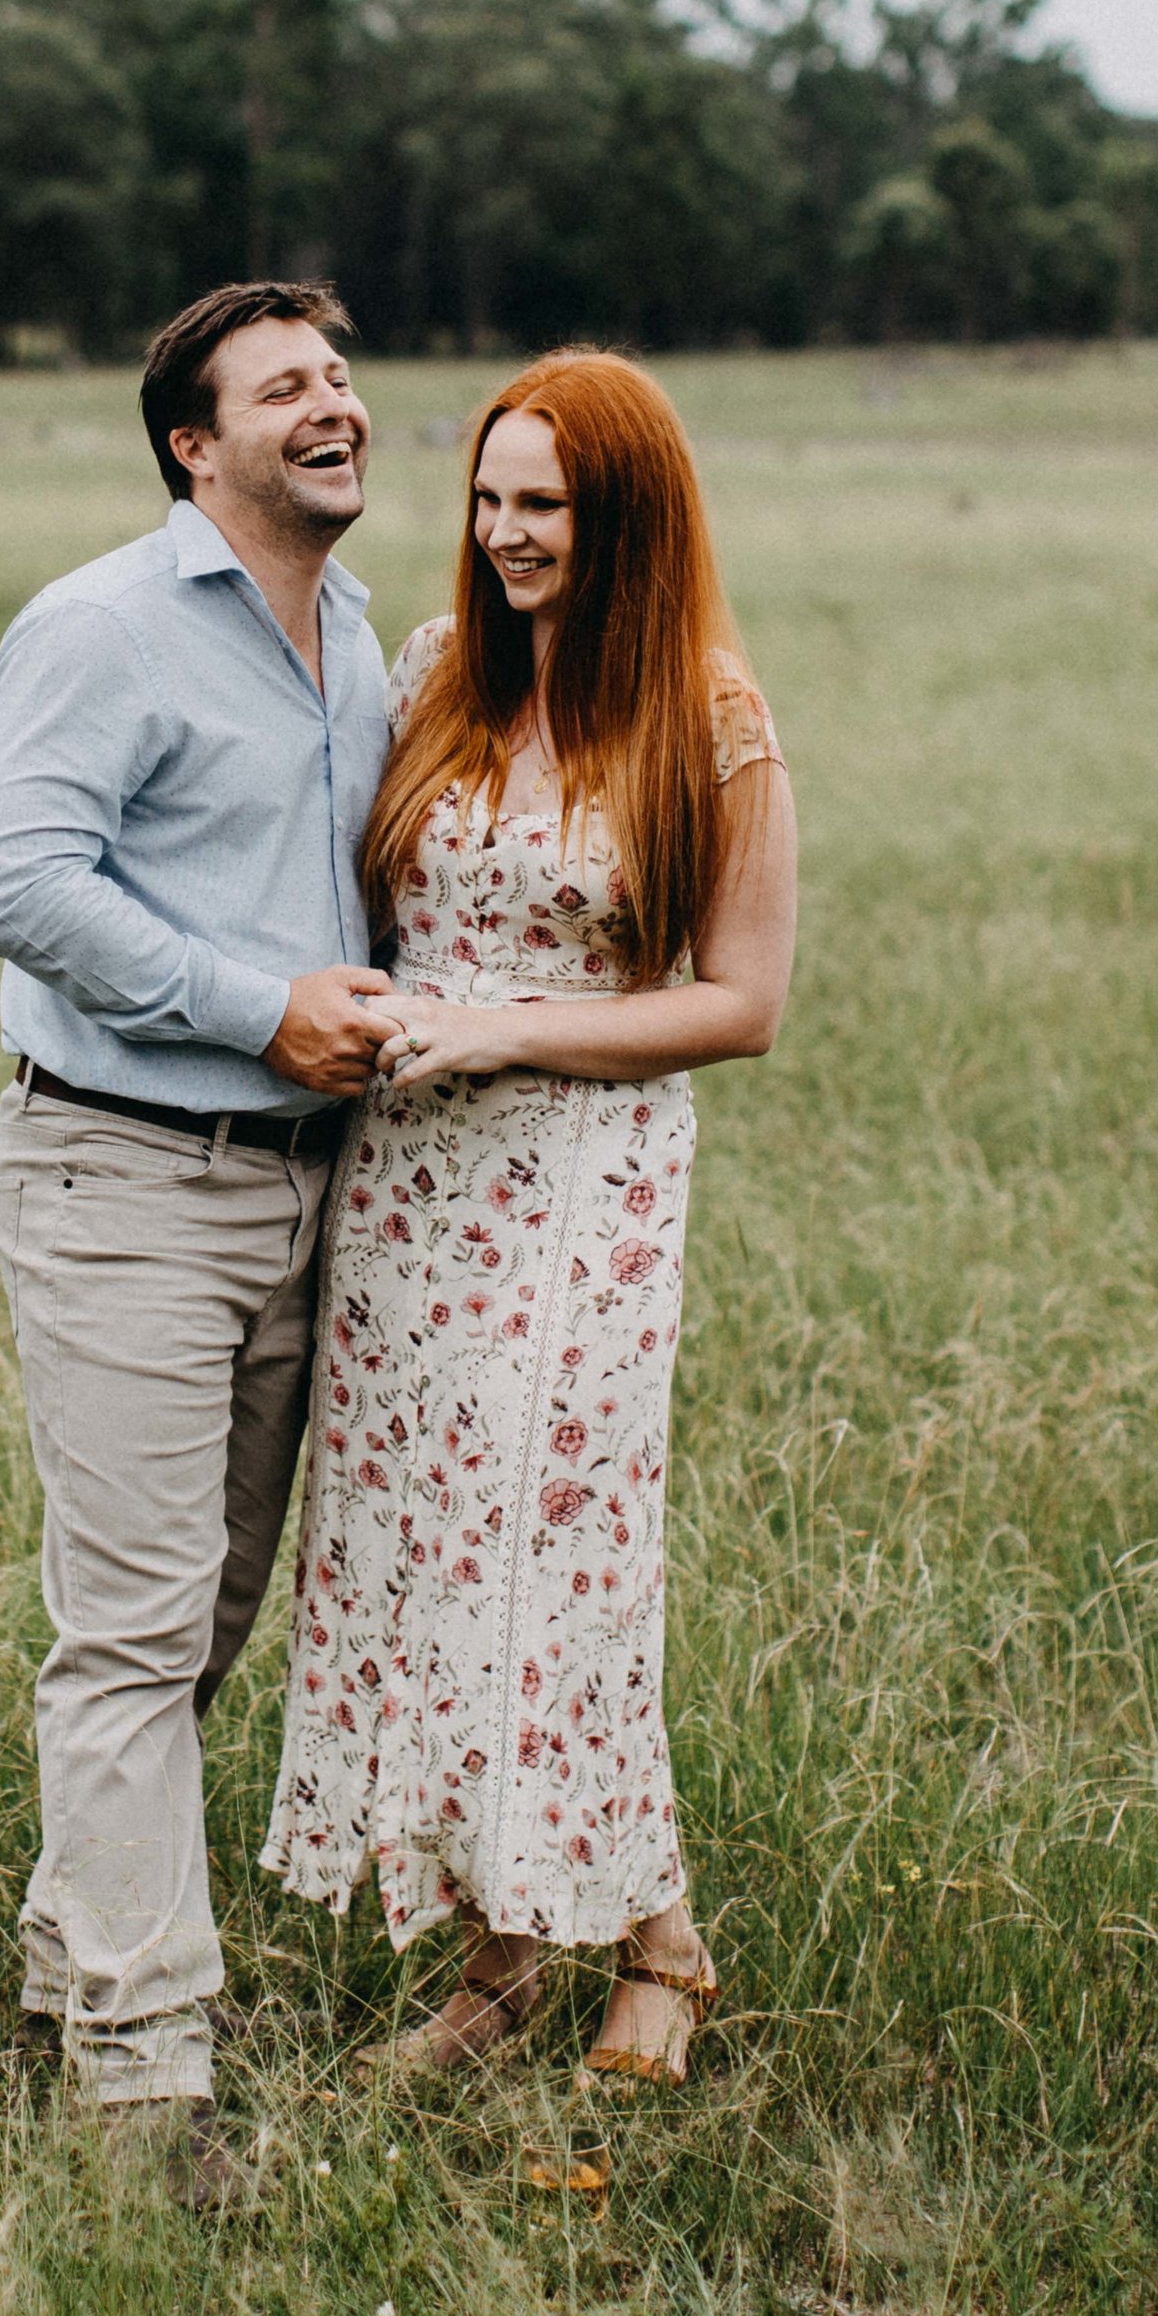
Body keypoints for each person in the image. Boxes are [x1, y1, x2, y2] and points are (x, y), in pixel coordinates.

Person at [262, 349, 798, 2084]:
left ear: (624, 514)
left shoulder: (708, 713)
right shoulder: (435, 671)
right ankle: (514, 1947)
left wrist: (508, 1029)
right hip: (409, 1189)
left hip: (587, 1187)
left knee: (553, 1555)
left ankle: (646, 1940)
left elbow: (745, 998)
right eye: (489, 499)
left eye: (544, 506)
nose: (503, 534)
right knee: (426, 1549)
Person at [0, 280, 400, 2195]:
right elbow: (15, 878)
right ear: (191, 444)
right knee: (132, 1637)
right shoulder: (105, 623)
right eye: (282, 386)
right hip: (126, 1175)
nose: (334, 405)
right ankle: (147, 2097)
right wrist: (257, 1006)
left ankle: (73, 1964)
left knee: (205, 1618)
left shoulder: (361, 632)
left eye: (341, 376)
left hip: (308, 1192)